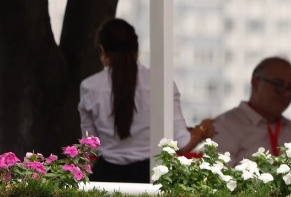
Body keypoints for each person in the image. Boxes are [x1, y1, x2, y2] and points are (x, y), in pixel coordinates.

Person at [78, 18, 214, 183]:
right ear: (137, 50)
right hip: (150, 179)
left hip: (105, 180)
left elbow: (90, 149)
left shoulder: (89, 87)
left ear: (102, 50)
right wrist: (204, 128)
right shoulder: (162, 84)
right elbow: (182, 142)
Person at [212, 57, 291, 164]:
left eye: (290, 87)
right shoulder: (225, 125)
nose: (285, 93)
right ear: (255, 83)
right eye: (278, 84)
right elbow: (219, 177)